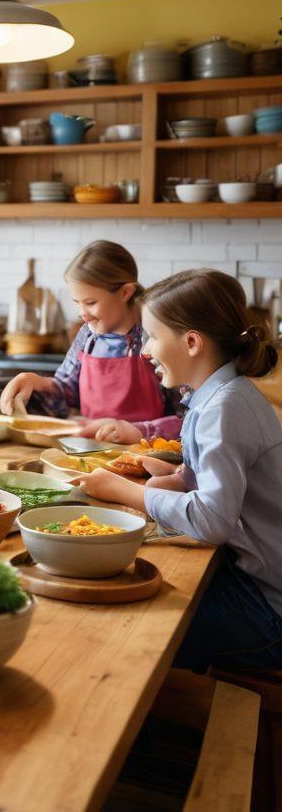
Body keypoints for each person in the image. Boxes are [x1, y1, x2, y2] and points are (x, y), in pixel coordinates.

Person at [75, 269, 282, 671]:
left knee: (134, 637)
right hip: (251, 582)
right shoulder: (218, 396)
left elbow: (213, 520)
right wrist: (176, 477)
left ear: (191, 342)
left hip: (268, 611)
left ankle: (145, 727)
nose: (144, 351)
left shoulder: (223, 409)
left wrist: (127, 493)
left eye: (152, 337)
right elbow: (214, 481)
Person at [0, 241, 182, 443]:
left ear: (125, 292)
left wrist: (139, 431)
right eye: (77, 303)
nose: (82, 314)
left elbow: (189, 416)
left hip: (146, 455)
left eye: (91, 303)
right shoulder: (87, 336)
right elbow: (65, 392)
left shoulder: (155, 336)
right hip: (88, 449)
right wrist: (34, 382)